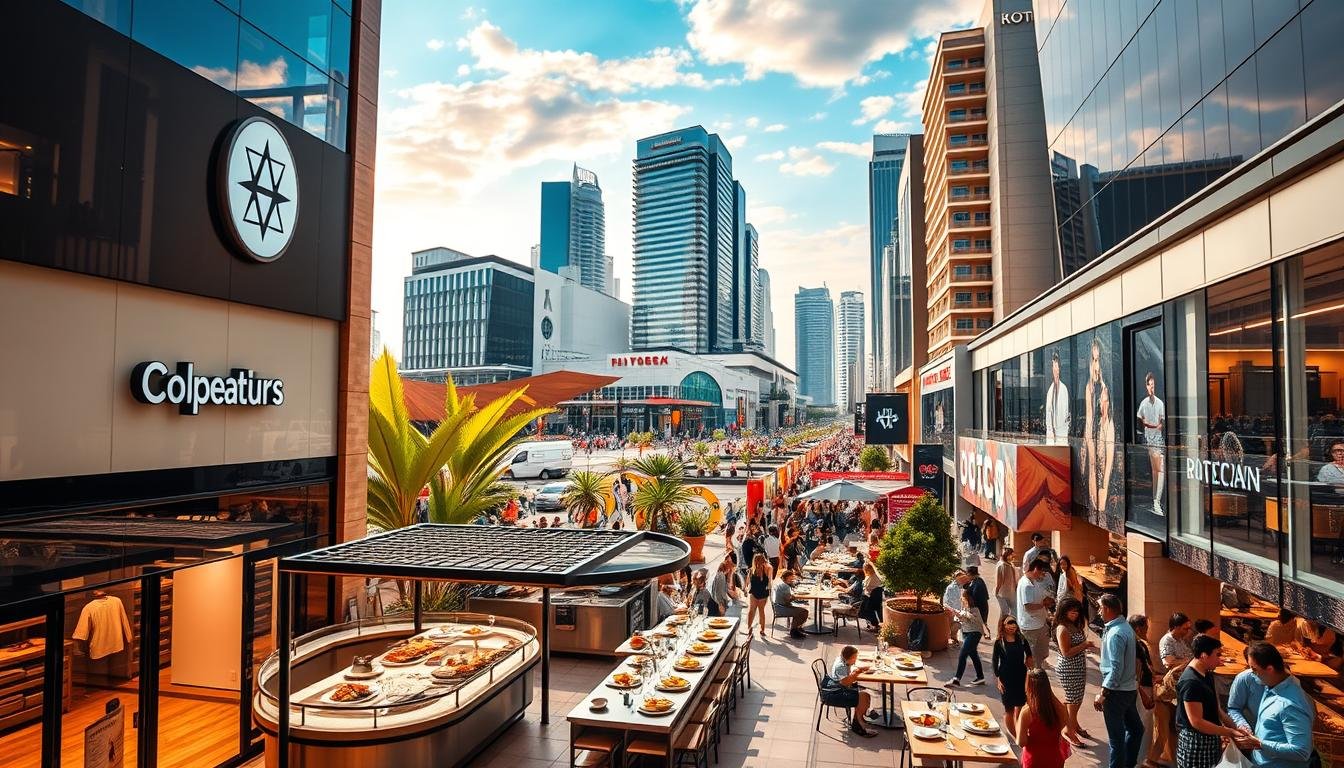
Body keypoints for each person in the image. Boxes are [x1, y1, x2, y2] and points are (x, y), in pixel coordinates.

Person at [1238, 641, 1316, 768]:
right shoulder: (1271, 686)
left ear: (1269, 669)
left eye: (1254, 669)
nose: (1252, 674)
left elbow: (1301, 751)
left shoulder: (1290, 705)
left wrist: (1260, 744)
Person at [1174, 635, 1245, 768]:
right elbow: (1197, 722)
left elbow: (1217, 710)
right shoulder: (1191, 682)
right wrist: (1228, 732)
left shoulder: (1207, 674)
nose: (1220, 660)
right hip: (1196, 743)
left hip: (1211, 738)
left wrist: (1236, 728)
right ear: (1203, 655)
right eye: (1217, 655)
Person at [1095, 593, 1144, 768]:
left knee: (1116, 740)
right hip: (1128, 689)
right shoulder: (1123, 627)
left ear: (1107, 609)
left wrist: (1103, 692)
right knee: (1136, 730)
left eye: (1100, 608)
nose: (1099, 612)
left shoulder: (1117, 633)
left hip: (1117, 692)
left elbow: (1116, 668)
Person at [1056, 597, 1095, 746]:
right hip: (1069, 668)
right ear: (1065, 612)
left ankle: (1074, 725)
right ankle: (1069, 730)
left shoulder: (1073, 625)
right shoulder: (1063, 628)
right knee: (1073, 700)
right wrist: (1084, 645)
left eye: (1077, 612)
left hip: (1078, 667)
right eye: (1072, 612)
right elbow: (1066, 652)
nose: (1076, 615)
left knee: (1077, 699)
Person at [1019, 668, 1071, 768]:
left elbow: (1021, 742)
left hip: (1034, 761)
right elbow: (1064, 725)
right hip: (1055, 760)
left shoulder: (1027, 712)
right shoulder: (1060, 709)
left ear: (1029, 687)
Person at [824, 645, 879, 738]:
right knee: (863, 696)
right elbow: (845, 682)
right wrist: (858, 672)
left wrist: (857, 671)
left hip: (836, 688)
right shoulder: (841, 666)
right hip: (834, 694)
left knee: (865, 694)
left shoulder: (843, 660)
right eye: (855, 657)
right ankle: (859, 725)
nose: (856, 660)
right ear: (849, 657)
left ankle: (859, 719)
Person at [993, 615, 1033, 740]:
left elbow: (1029, 653)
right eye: (1009, 624)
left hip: (1020, 675)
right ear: (1003, 626)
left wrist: (1029, 662)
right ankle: (1015, 735)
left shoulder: (1021, 638)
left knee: (1020, 706)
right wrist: (998, 678)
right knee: (1009, 708)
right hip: (1006, 677)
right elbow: (995, 661)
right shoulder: (999, 642)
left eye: (1014, 624)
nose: (1012, 626)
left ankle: (1019, 730)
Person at [1130, 614, 1159, 768]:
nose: (1147, 631)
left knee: (1144, 726)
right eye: (1146, 628)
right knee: (1143, 726)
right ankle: (1138, 761)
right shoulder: (1134, 645)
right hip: (1141, 690)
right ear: (1138, 628)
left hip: (1144, 688)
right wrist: (1142, 692)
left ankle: (1141, 759)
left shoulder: (1139, 643)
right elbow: (1136, 672)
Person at [1137, 371, 1167, 515]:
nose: (1151, 388)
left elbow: (1161, 424)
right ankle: (1156, 501)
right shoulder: (1143, 404)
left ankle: (1156, 501)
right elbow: (1141, 422)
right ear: (1146, 386)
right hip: (1150, 441)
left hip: (1158, 441)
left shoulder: (1160, 403)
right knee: (1158, 470)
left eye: (1153, 385)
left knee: (1159, 471)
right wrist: (1149, 427)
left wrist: (1153, 426)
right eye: (1149, 385)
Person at [1017, 558, 1053, 670]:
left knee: (1041, 653)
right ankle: (1032, 677)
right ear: (1036, 569)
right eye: (1042, 572)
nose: (1043, 575)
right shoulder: (1027, 585)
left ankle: (1038, 668)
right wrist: (1043, 605)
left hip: (1039, 623)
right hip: (1031, 626)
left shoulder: (1034, 581)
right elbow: (1028, 607)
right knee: (1031, 656)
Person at [948, 586, 987, 687]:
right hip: (967, 633)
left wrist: (964, 614)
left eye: (962, 597)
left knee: (963, 654)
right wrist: (959, 615)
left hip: (975, 633)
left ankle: (956, 679)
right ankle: (980, 677)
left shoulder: (975, 609)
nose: (961, 599)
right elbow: (965, 620)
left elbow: (975, 619)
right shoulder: (965, 608)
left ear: (967, 598)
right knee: (973, 655)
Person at [1226, 646, 1267, 733]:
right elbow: (1233, 708)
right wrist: (1243, 726)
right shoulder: (1244, 679)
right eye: (1253, 669)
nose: (1256, 674)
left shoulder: (1286, 681)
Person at [771, 569, 808, 639]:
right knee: (804, 612)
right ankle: (794, 631)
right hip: (781, 608)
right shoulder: (785, 586)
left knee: (800, 610)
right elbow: (788, 600)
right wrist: (794, 598)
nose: (793, 579)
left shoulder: (781, 583)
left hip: (778, 606)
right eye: (791, 578)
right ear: (787, 578)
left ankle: (796, 628)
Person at [1045, 348, 1071, 445]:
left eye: (1057, 367)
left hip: (1062, 435)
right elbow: (1049, 415)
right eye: (1054, 367)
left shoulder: (1064, 389)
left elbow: (1066, 417)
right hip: (1051, 436)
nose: (1056, 370)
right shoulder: (1050, 391)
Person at [745, 553, 772, 637]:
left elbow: (747, 583)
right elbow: (770, 582)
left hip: (755, 592)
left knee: (752, 611)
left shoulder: (752, 570)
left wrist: (745, 589)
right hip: (763, 593)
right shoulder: (767, 569)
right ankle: (762, 630)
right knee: (760, 611)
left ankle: (750, 628)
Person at [943, 569, 969, 646]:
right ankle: (953, 637)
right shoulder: (951, 588)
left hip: (959, 610)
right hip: (951, 611)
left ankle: (953, 637)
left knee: (958, 624)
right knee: (956, 624)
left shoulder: (964, 587)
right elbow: (947, 603)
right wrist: (955, 611)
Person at [995, 547, 1018, 621]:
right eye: (1012, 554)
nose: (1013, 556)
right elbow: (999, 581)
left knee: (1011, 613)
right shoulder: (1002, 566)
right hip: (1003, 593)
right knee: (1005, 614)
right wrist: (996, 593)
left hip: (1011, 592)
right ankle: (1001, 630)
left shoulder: (1010, 565)